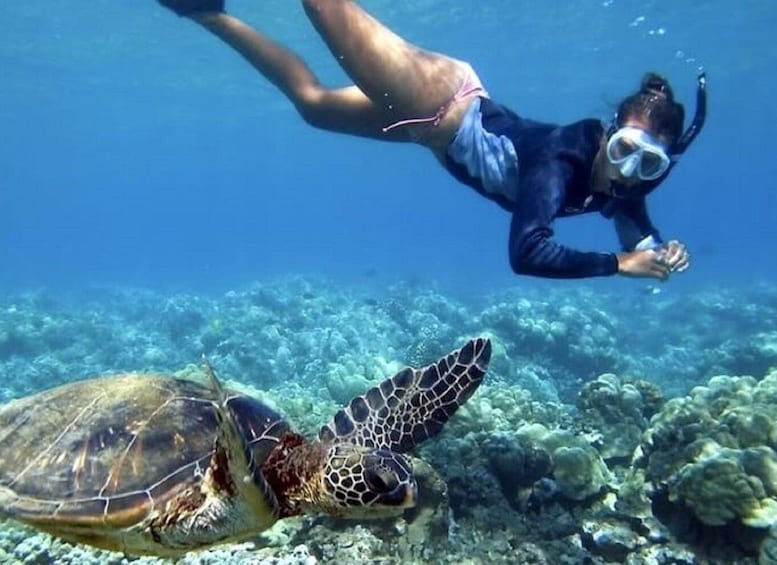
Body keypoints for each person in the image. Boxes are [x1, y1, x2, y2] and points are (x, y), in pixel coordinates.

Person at [157, 0, 707, 280]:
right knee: (324, 6)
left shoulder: (625, 183)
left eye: (649, 164)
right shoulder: (560, 161)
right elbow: (528, 252)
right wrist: (619, 265)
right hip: (439, 99)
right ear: (609, 134)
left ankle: (204, 10)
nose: (629, 171)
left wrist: (651, 247)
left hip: (430, 131)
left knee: (312, 106)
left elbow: (630, 213)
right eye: (624, 151)